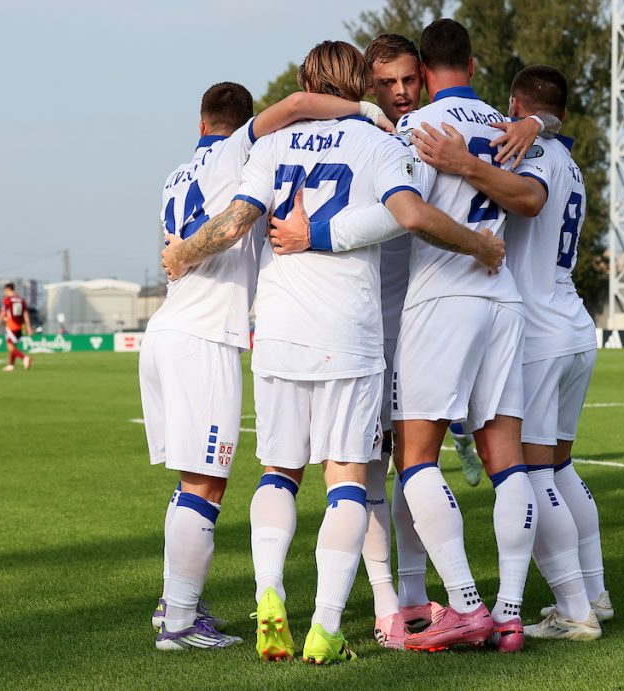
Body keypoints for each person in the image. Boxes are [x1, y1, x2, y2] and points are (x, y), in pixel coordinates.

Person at [160, 40, 504, 664]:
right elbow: (409, 214)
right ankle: (324, 625)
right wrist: (479, 246)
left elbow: (237, 221)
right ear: (361, 87)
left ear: (305, 82)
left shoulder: (268, 146)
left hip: (280, 326)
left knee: (276, 473)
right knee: (347, 478)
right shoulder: (378, 143)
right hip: (348, 330)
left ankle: (269, 595)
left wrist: (184, 251)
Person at [142, 80, 396, 652]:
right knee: (206, 484)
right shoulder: (238, 152)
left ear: (199, 122)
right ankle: (180, 621)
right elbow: (298, 106)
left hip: (168, 329)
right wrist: (362, 110)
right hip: (207, 335)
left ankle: (176, 605)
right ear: (241, 124)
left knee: (196, 482)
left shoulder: (176, 174)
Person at [413, 63, 613, 640]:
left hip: (539, 330)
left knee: (533, 474)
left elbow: (523, 197)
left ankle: (574, 610)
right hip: (572, 322)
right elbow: (541, 130)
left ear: (516, 104)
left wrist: (464, 163)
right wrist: (535, 121)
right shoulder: (566, 154)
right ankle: (594, 593)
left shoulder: (538, 151)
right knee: (560, 469)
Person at [387, 18, 552, 654]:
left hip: (444, 298)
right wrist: (536, 123)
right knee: (506, 459)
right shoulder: (508, 128)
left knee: (417, 456)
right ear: (475, 66)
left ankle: (465, 604)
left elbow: (407, 214)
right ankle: (510, 612)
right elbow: (531, 200)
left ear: (424, 74)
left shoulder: (417, 129)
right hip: (503, 300)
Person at [0, 283, 32, 372]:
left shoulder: (7, 300)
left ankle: (24, 358)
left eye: (5, 291)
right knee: (13, 347)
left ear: (8, 290)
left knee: (10, 347)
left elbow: (3, 312)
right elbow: (25, 314)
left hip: (11, 326)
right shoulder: (21, 300)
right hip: (19, 326)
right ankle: (11, 365)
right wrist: (28, 327)